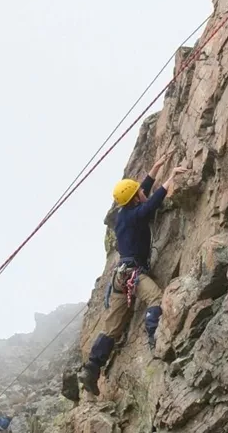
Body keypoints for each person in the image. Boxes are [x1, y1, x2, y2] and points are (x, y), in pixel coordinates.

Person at [79, 155, 188, 395]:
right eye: (139, 191)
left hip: (120, 277)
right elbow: (152, 203)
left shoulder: (123, 215)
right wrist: (170, 178)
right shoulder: (138, 215)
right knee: (156, 298)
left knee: (112, 328)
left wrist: (155, 168)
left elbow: (140, 193)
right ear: (134, 199)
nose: (142, 192)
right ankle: (154, 338)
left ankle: (92, 369)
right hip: (133, 276)